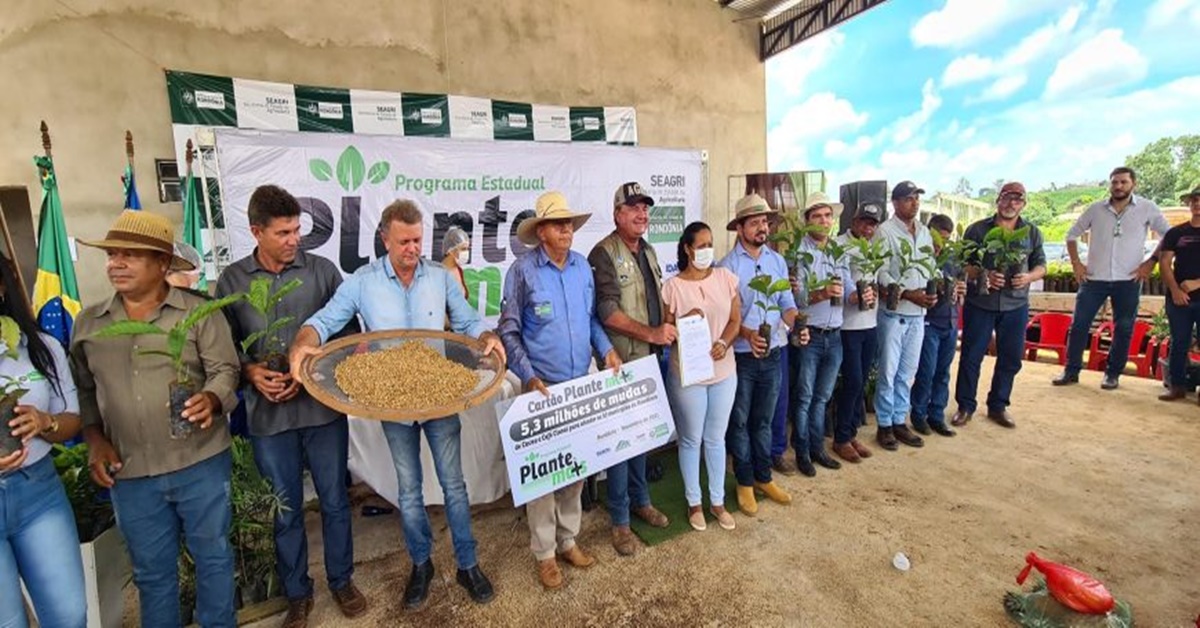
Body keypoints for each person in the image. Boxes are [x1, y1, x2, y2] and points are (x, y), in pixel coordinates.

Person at [289, 200, 503, 610]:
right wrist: (303, 345)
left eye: (418, 240)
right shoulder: (363, 281)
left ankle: (467, 563)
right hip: (393, 404)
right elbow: (325, 321)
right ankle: (421, 564)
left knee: (455, 485)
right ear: (385, 238)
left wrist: (486, 335)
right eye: (404, 241)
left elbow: (466, 321)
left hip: (439, 397)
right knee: (408, 491)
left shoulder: (439, 277)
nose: (412, 249)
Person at [70, 210, 240, 627]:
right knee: (152, 575)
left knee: (214, 559)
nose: (117, 263)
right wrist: (94, 440)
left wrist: (212, 399)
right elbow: (86, 393)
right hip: (130, 472)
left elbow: (225, 371)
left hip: (199, 460)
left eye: (131, 255)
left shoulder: (198, 313)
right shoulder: (90, 325)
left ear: (163, 264)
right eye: (113, 254)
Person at [215, 185, 365, 627]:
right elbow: (221, 350)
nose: (293, 239)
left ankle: (342, 580)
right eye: (282, 232)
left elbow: (347, 337)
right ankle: (297, 592)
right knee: (286, 508)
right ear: (256, 231)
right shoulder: (232, 282)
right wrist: (250, 373)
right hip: (267, 415)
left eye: (297, 230)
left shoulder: (322, 272)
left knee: (336, 500)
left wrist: (312, 369)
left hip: (321, 411)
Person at [498, 191, 621, 589]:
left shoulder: (583, 268)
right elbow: (509, 331)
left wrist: (607, 352)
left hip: (578, 387)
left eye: (570, 223)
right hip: (541, 390)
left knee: (575, 470)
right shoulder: (522, 272)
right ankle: (545, 553)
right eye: (559, 224)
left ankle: (569, 539)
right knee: (543, 477)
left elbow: (591, 323)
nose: (567, 229)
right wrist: (529, 377)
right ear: (541, 233)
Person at [0, 257, 87, 628]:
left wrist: (44, 421)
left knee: (69, 615)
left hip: (39, 494)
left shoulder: (41, 347)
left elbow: (72, 419)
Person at [587, 182, 672, 555]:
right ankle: (620, 522)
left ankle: (642, 501)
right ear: (617, 213)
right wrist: (651, 331)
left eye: (645, 207)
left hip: (652, 361)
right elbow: (607, 312)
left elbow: (659, 297)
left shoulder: (650, 250)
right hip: (622, 364)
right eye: (633, 207)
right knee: (621, 444)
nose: (642, 214)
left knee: (643, 439)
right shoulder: (603, 253)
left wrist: (670, 327)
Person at [718, 193, 802, 516]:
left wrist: (798, 324)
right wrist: (747, 334)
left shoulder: (776, 261)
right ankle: (743, 482)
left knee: (764, 420)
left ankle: (763, 477)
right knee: (739, 422)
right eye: (754, 222)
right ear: (739, 228)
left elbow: (786, 304)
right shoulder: (727, 267)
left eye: (765, 221)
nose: (762, 227)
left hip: (773, 352)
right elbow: (726, 318)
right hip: (740, 356)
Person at [1053, 167, 1168, 390]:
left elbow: (1168, 235)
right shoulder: (1096, 209)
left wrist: (1151, 261)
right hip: (1094, 279)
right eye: (1114, 182)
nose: (1118, 186)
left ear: (1133, 184)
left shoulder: (1147, 208)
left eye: (1123, 182)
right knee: (1079, 325)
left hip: (1129, 280)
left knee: (1123, 328)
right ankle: (1071, 370)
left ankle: (1113, 374)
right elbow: (1071, 235)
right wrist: (1076, 263)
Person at [661, 222, 740, 532]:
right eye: (701, 245)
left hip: (724, 371)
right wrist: (685, 323)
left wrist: (723, 342)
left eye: (710, 244)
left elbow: (735, 319)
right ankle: (694, 502)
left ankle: (717, 502)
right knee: (692, 438)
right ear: (687, 249)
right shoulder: (673, 287)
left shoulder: (726, 278)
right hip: (688, 375)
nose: (707, 250)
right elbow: (665, 332)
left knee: (716, 438)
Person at [952, 182, 1047, 429]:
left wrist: (1028, 277)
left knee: (1011, 357)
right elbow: (963, 266)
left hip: (1016, 304)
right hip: (980, 303)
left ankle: (998, 405)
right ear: (998, 200)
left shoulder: (1032, 232)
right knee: (972, 356)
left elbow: (1041, 265)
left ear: (1023, 204)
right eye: (1006, 198)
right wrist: (984, 274)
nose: (1010, 204)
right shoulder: (977, 230)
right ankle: (965, 405)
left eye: (1017, 200)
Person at [790, 192, 855, 476]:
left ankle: (817, 448)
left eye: (828, 215)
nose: (824, 221)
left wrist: (862, 294)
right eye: (817, 216)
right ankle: (803, 451)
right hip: (811, 335)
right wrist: (822, 292)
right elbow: (796, 299)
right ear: (807, 221)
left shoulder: (837, 251)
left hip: (835, 334)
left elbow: (849, 288)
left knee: (822, 398)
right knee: (805, 397)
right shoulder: (798, 255)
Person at [874, 181, 937, 451]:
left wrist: (935, 290)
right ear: (895, 203)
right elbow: (880, 273)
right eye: (909, 198)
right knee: (888, 372)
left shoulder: (923, 231)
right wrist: (909, 294)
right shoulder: (884, 232)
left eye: (916, 198)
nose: (915, 203)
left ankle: (900, 419)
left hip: (918, 315)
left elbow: (929, 267)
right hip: (894, 314)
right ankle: (884, 424)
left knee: (907, 372)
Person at [831, 203, 882, 463]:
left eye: (872, 223)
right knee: (851, 381)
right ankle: (840, 438)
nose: (868, 227)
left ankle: (850, 433)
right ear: (853, 220)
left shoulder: (873, 248)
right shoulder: (839, 245)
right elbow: (840, 284)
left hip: (870, 324)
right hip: (848, 326)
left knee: (860, 383)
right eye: (864, 221)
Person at [910, 214, 965, 437]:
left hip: (950, 321)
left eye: (945, 238)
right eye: (936, 238)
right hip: (930, 321)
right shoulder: (921, 257)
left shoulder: (953, 259)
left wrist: (961, 291)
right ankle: (918, 414)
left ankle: (936, 415)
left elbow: (961, 289)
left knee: (943, 372)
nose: (940, 244)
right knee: (927, 370)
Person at [1156, 184, 1200, 401]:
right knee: (1179, 342)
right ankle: (1177, 386)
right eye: (1194, 200)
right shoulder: (1176, 233)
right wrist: (1175, 290)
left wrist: (1196, 283)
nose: (1197, 204)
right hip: (1179, 299)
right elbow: (1164, 263)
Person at [441, 225, 471, 299]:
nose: (466, 252)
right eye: (463, 249)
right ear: (451, 250)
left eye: (467, 249)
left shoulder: (459, 271)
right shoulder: (438, 275)